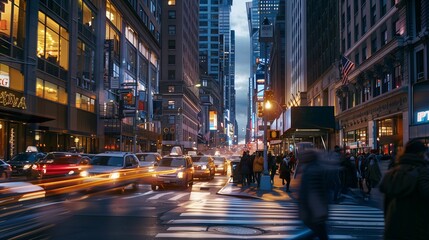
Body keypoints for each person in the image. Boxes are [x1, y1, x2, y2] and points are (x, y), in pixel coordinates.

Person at [379, 139, 429, 239]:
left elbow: (386, 205)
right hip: (418, 229)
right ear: (421, 154)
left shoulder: (393, 172)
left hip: (393, 228)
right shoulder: (422, 172)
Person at [298, 149, 329, 240]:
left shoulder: (311, 170)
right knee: (320, 233)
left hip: (313, 210)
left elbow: (313, 191)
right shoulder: (312, 168)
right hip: (313, 210)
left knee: (318, 233)